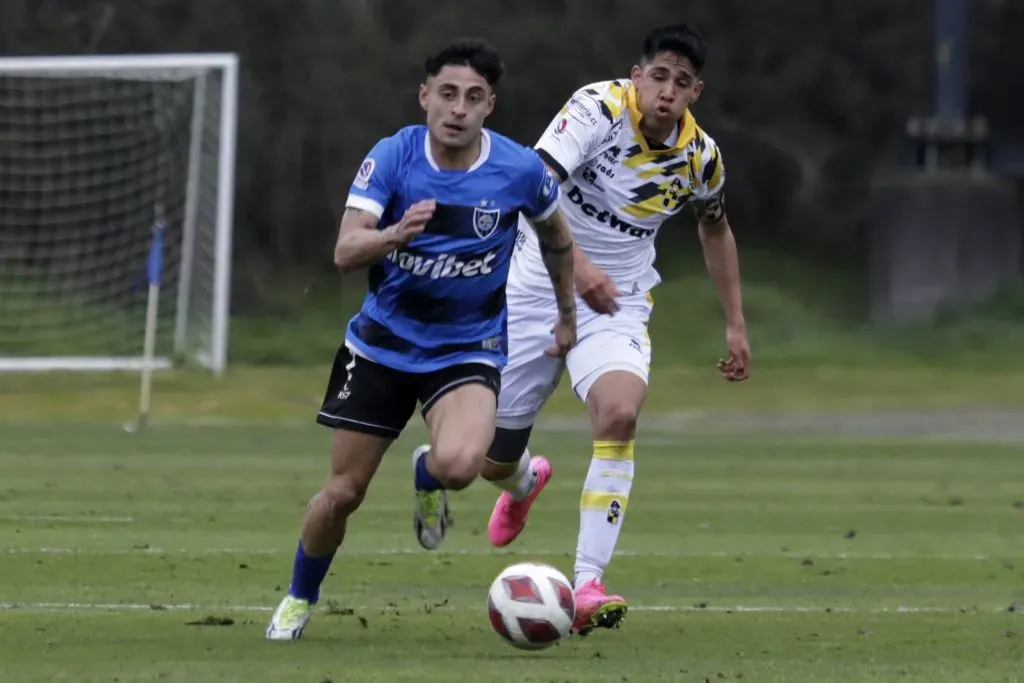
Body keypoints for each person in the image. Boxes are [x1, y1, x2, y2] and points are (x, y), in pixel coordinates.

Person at [265, 36, 580, 641]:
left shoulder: (518, 170)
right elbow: (344, 250)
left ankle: (430, 477)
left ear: (491, 105)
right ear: (424, 97)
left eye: (473, 97)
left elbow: (558, 240)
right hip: (381, 347)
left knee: (463, 466)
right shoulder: (393, 158)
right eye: (447, 94)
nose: (458, 109)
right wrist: (394, 236)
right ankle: (299, 598)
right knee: (342, 494)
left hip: (467, 348)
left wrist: (566, 315)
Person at [480, 23, 752, 635]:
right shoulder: (595, 109)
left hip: (618, 301)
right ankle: (525, 479)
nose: (667, 91)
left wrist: (735, 324)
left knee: (621, 413)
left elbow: (715, 228)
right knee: (485, 460)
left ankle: (586, 585)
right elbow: (533, 185)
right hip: (534, 286)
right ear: (637, 76)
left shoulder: (700, 157)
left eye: (682, 83)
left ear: (695, 92)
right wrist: (576, 266)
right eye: (658, 76)